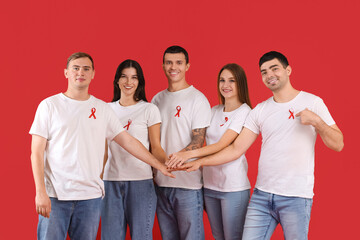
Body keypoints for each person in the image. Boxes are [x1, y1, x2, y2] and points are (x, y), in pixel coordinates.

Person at [182, 51, 344, 240]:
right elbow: (235, 149)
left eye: (274, 69)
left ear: (288, 70)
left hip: (296, 197)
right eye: (264, 72)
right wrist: (199, 162)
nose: (269, 75)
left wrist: (317, 121)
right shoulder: (260, 110)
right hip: (262, 196)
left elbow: (338, 143)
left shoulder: (313, 102)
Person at [29, 52, 174, 240]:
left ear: (93, 74)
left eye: (86, 68)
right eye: (76, 68)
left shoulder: (102, 109)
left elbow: (128, 141)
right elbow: (36, 152)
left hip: (90, 197)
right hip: (56, 196)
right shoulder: (49, 106)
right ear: (66, 73)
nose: (80, 72)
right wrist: (40, 192)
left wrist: (159, 165)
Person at [167, 63, 252, 239]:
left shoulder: (245, 112)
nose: (225, 85)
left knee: (233, 237)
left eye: (231, 81)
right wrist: (180, 160)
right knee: (217, 236)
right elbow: (199, 140)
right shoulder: (214, 110)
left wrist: (188, 156)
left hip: (233, 187)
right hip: (210, 186)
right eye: (222, 80)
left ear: (240, 84)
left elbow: (222, 145)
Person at [101, 59, 167, 240]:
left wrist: (166, 165)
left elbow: (156, 147)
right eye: (124, 76)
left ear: (139, 82)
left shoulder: (149, 109)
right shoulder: (106, 109)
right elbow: (103, 150)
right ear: (117, 80)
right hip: (111, 182)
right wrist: (98, 180)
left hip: (141, 182)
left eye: (134, 77)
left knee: (142, 236)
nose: (129, 82)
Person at [151, 45, 211, 240]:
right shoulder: (156, 100)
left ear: (187, 66)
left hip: (188, 185)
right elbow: (153, 141)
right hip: (161, 183)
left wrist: (174, 161)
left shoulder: (198, 99)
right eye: (169, 62)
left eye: (178, 62)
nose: (173, 67)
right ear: (163, 66)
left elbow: (198, 140)